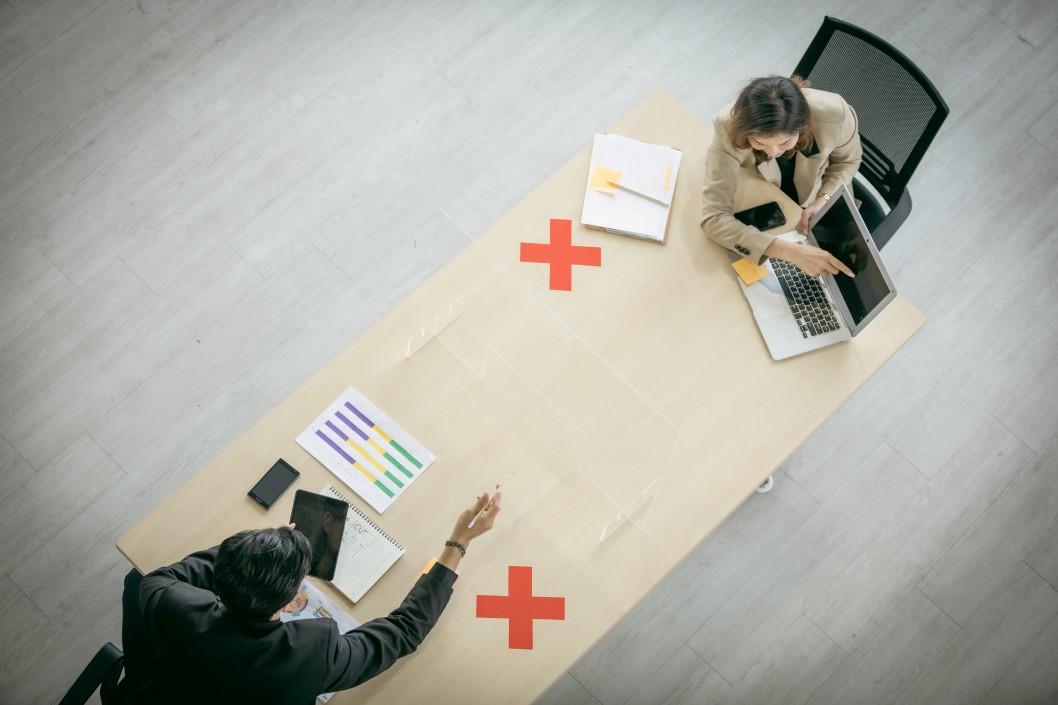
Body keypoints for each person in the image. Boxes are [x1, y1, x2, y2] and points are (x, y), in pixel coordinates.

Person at [123, 490, 502, 704]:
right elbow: (403, 632)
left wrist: (255, 553)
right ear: (290, 603)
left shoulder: (170, 602)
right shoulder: (311, 656)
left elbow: (162, 576)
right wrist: (458, 543)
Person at [700, 75, 861, 278]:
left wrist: (823, 200)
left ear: (802, 127)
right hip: (769, 197)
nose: (773, 152)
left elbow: (847, 161)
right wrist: (789, 251)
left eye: (785, 143)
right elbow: (713, 218)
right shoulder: (728, 125)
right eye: (759, 143)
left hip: (819, 198)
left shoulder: (836, 115)